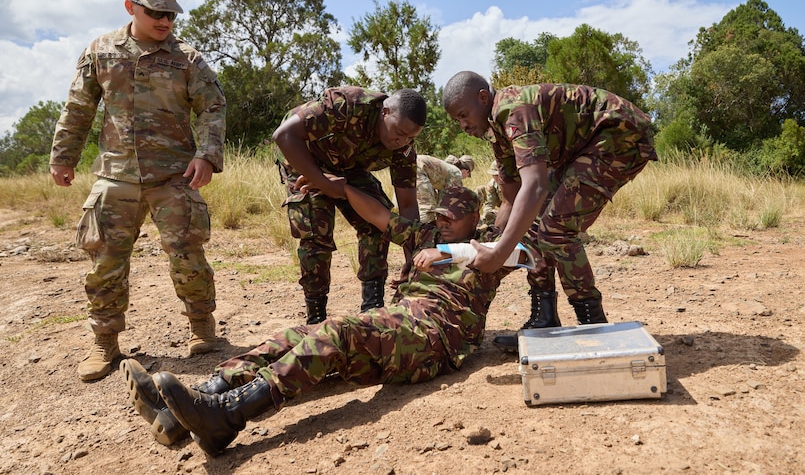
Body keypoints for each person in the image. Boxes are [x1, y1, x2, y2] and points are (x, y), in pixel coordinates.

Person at [120, 184, 530, 456]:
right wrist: (337, 186)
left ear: (474, 220)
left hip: (433, 338)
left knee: (338, 331)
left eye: (451, 218)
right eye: (439, 216)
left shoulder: (489, 252)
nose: (441, 223)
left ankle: (226, 415)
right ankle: (187, 408)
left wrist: (453, 250)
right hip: (398, 322)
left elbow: (528, 255)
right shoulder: (424, 236)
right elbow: (379, 216)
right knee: (300, 334)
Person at [49, 0, 227, 381]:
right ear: (131, 7)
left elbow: (213, 108)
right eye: (155, 13)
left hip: (174, 176)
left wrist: (208, 155)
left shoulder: (187, 59)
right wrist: (63, 157)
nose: (165, 22)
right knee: (106, 263)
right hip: (117, 177)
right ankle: (104, 344)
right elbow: (78, 108)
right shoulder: (101, 51)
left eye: (171, 15)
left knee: (189, 257)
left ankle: (203, 330)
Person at [442, 71, 657, 351]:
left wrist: (500, 253)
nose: (462, 125)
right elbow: (512, 197)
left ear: (483, 98)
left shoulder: (513, 110)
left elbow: (535, 186)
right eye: (456, 120)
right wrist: (492, 240)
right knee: (532, 228)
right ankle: (544, 318)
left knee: (556, 228)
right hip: (583, 148)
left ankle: (594, 325)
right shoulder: (496, 131)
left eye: (463, 114)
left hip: (617, 134)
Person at [271, 87, 426, 324]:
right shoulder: (348, 105)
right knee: (316, 232)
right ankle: (316, 317)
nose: (401, 141)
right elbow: (284, 135)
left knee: (377, 221)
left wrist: (412, 259)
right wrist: (324, 183)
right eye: (399, 132)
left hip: (349, 168)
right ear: (385, 111)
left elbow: (407, 205)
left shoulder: (404, 149)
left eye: (410, 137)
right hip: (305, 157)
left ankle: (372, 308)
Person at [416, 154, 466, 223]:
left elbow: (438, 198)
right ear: (466, 171)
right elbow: (449, 202)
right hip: (419, 168)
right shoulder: (457, 173)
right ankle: (425, 231)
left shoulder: (444, 169)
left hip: (412, 164)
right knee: (427, 208)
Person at [479, 160, 504, 226]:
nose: (495, 177)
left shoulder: (515, 183)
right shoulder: (492, 184)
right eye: (493, 175)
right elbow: (489, 204)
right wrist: (487, 216)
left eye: (497, 175)